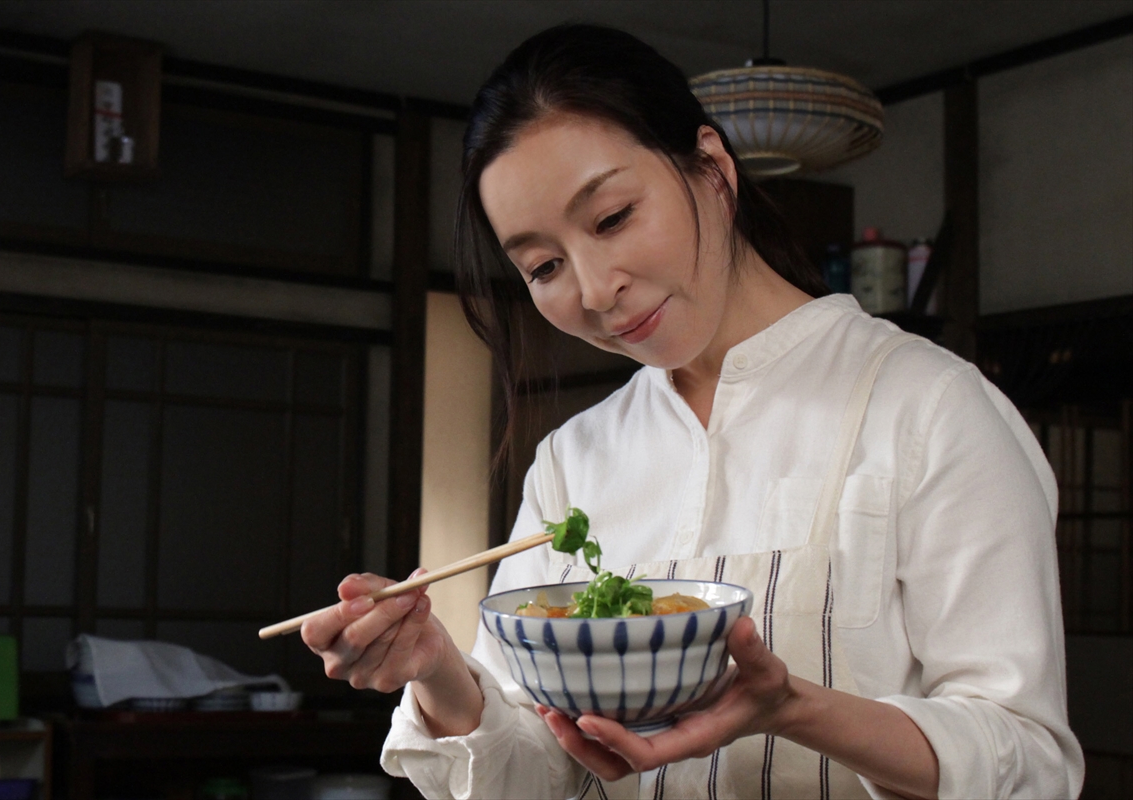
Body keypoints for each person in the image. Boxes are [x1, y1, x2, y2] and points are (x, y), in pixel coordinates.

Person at [301, 24, 1083, 800]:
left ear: (712, 169)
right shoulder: (577, 460)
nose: (596, 288)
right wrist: (437, 668)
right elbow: (537, 769)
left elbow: (1030, 761)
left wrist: (795, 710)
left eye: (611, 218)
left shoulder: (930, 408)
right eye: (544, 265)